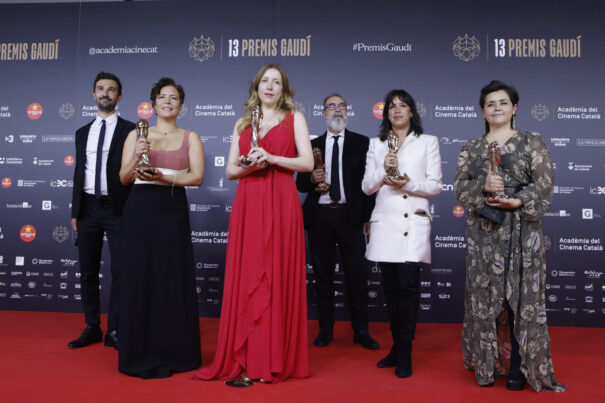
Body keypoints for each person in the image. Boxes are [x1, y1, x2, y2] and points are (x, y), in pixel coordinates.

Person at [194, 63, 313, 383]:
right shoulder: (243, 123)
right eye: (265, 81)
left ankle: (271, 359)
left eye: (276, 82)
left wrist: (271, 158)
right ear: (256, 87)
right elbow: (231, 171)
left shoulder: (295, 118)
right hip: (250, 200)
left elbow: (307, 163)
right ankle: (246, 358)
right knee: (250, 277)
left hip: (282, 200)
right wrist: (251, 164)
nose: (270, 87)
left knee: (275, 274)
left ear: (284, 89)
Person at [454, 80, 565, 392]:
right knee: (486, 300)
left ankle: (518, 366)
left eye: (503, 102)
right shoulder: (471, 148)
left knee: (521, 301)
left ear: (514, 108)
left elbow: (544, 181)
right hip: (484, 233)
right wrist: (482, 188)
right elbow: (460, 188)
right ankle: (488, 365)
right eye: (491, 104)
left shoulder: (532, 142)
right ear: (482, 111)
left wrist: (519, 199)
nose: (497, 108)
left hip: (522, 230)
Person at [117, 77, 205, 379]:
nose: (168, 101)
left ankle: (175, 349)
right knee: (140, 277)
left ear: (181, 105)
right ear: (153, 103)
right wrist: (136, 153)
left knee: (171, 278)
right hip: (139, 211)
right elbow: (124, 179)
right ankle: (138, 349)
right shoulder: (136, 134)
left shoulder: (190, 136)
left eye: (174, 97)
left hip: (172, 210)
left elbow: (196, 178)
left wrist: (164, 178)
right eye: (162, 97)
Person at [362, 89, 442, 378]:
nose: (397, 110)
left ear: (411, 111)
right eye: (392, 106)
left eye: (403, 105)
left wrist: (407, 183)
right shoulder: (376, 144)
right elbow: (366, 187)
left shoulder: (428, 142)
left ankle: (405, 350)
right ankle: (396, 347)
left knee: (408, 290)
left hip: (413, 224)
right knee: (392, 291)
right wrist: (384, 174)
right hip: (386, 226)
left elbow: (435, 185)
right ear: (386, 114)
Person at [296, 93, 378, 349]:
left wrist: (367, 217)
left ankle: (361, 332)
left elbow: (370, 185)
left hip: (350, 217)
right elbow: (299, 184)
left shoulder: (362, 143)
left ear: (347, 112)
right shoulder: (312, 145)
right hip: (320, 217)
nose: (337, 110)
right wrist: (312, 178)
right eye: (331, 107)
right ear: (323, 114)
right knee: (322, 277)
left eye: (341, 106)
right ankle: (325, 331)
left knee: (357, 276)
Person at [69, 72, 135, 349]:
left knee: (120, 270)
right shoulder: (82, 132)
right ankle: (92, 326)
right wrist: (76, 210)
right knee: (87, 270)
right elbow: (79, 172)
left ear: (119, 96)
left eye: (111, 90)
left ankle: (116, 330)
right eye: (100, 89)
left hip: (118, 209)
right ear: (93, 94)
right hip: (87, 208)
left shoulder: (131, 130)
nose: (105, 93)